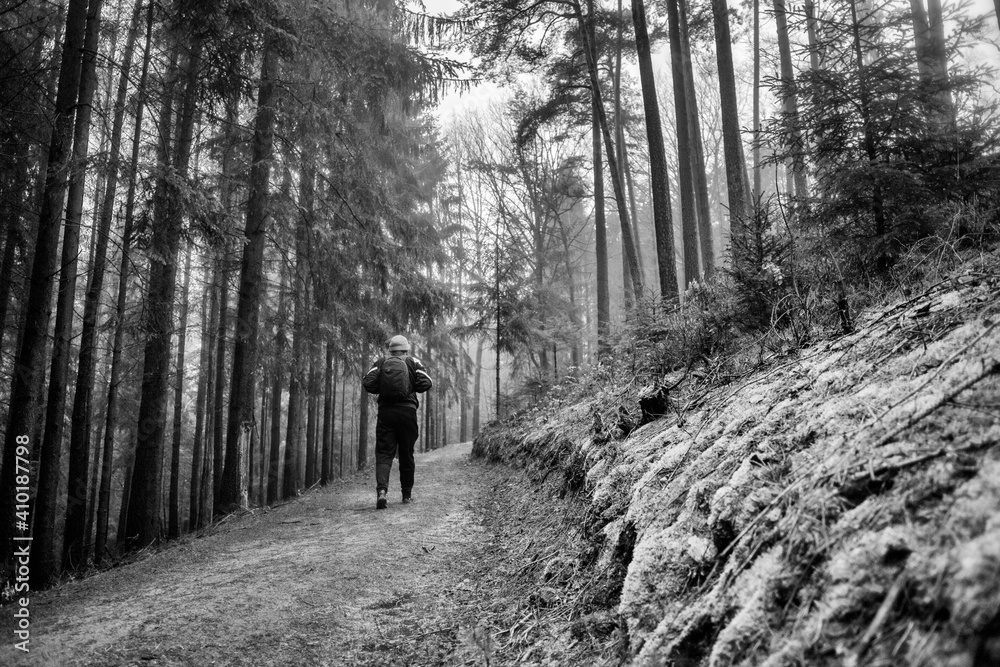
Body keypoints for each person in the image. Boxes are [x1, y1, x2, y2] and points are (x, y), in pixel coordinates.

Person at [362, 335, 433, 509]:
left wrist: (385, 389)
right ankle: (406, 495)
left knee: (384, 453)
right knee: (406, 453)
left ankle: (382, 492)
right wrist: (408, 388)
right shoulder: (413, 362)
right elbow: (427, 383)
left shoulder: (381, 362)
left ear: (391, 350)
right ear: (406, 348)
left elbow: (368, 382)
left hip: (386, 412)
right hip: (407, 412)